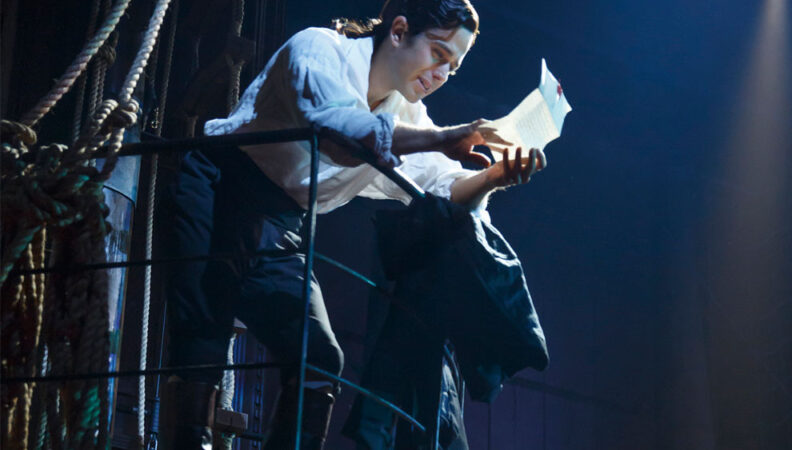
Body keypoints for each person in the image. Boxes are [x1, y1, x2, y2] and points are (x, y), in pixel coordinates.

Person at [159, 0, 547, 448]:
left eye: (452, 68)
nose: (441, 74)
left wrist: (496, 177)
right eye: (439, 54)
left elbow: (439, 186)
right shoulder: (319, 48)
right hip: (219, 185)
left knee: (319, 358)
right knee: (203, 332)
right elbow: (338, 127)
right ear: (399, 31)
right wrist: (444, 138)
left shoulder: (408, 116)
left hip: (283, 221)